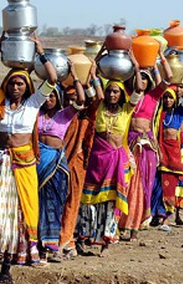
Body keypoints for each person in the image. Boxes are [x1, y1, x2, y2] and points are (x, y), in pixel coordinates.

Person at [0, 33, 58, 284]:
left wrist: (40, 52)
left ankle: (4, 268)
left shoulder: (34, 103)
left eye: (20, 84)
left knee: (19, 217)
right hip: (0, 164)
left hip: (24, 165)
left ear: (27, 87)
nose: (15, 88)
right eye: (12, 83)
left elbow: (53, 79)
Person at [79, 50, 143, 257]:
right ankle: (85, 237)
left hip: (116, 161)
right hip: (97, 159)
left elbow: (139, 88)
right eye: (109, 91)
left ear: (121, 94)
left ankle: (106, 241)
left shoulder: (127, 109)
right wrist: (98, 58)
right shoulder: (98, 107)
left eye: (116, 92)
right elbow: (90, 82)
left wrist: (135, 66)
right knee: (89, 201)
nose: (112, 95)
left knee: (110, 202)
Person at [119, 49, 172, 241]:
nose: (141, 81)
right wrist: (133, 62)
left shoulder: (154, 96)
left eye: (144, 78)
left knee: (144, 185)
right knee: (127, 183)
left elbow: (169, 78)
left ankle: (136, 226)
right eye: (138, 78)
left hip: (147, 144)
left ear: (149, 82)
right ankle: (122, 224)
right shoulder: (127, 95)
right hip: (130, 143)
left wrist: (161, 58)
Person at [36, 63, 86, 261]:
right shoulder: (36, 113)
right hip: (37, 163)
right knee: (36, 205)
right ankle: (36, 247)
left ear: (58, 98)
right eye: (46, 96)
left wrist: (74, 75)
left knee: (54, 205)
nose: (49, 99)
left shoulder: (64, 115)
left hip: (56, 165)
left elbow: (81, 99)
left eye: (53, 96)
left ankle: (51, 247)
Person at [58, 69, 99, 258]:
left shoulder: (85, 115)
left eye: (74, 98)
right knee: (56, 202)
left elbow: (98, 98)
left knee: (72, 203)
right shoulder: (59, 115)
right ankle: (61, 241)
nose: (71, 102)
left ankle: (65, 241)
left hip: (77, 163)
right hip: (58, 164)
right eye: (68, 98)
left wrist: (87, 78)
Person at [153, 84, 183, 231]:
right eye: (165, 97)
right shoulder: (159, 114)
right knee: (158, 184)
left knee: (171, 185)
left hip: (174, 153)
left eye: (170, 97)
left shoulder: (179, 112)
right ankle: (157, 214)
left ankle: (166, 218)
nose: (168, 100)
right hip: (161, 150)